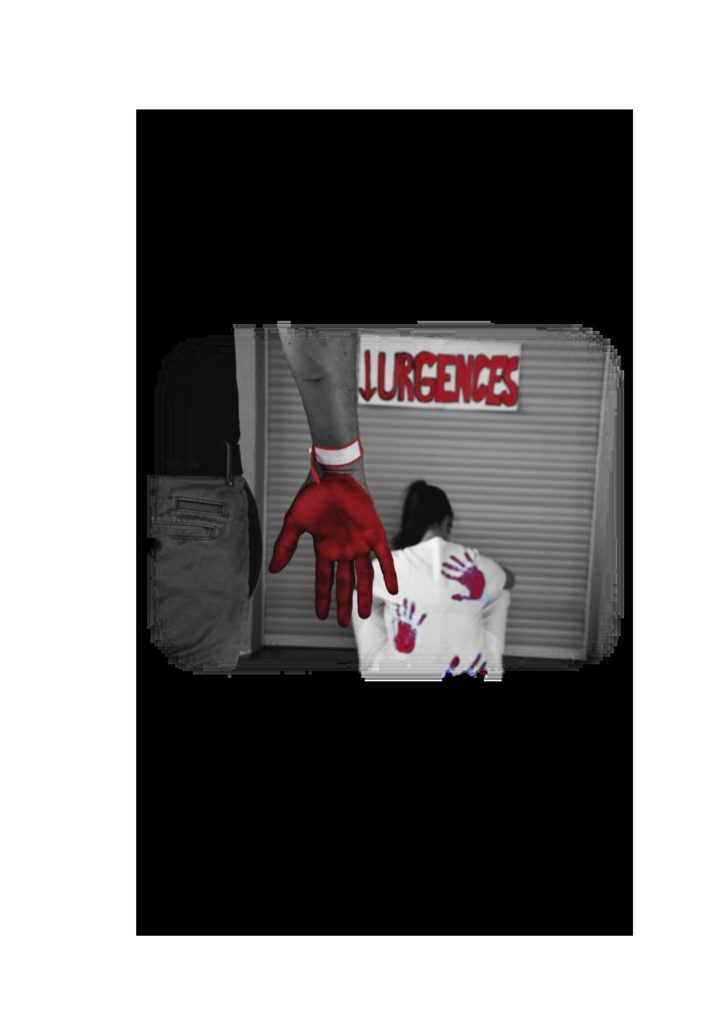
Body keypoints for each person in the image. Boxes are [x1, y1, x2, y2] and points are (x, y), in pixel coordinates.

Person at [351, 481, 516, 680]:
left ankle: (387, 664)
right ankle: (486, 667)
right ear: (446, 521)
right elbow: (510, 580)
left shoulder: (391, 564)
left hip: (400, 674)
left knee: (360, 597)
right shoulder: (471, 563)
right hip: (464, 670)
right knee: (501, 596)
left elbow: (356, 582)